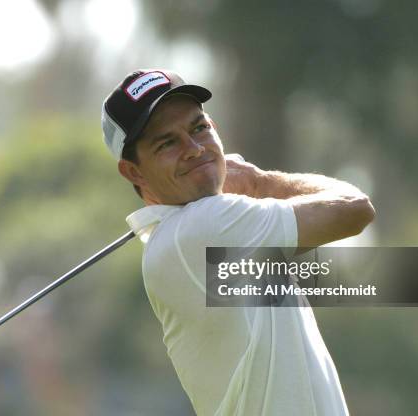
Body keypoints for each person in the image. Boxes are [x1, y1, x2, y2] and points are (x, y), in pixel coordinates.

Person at [101, 69, 374, 415]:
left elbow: (352, 281)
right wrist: (260, 182)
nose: (194, 149)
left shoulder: (191, 241)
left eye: (199, 128)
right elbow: (355, 209)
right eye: (167, 143)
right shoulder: (200, 228)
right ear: (134, 172)